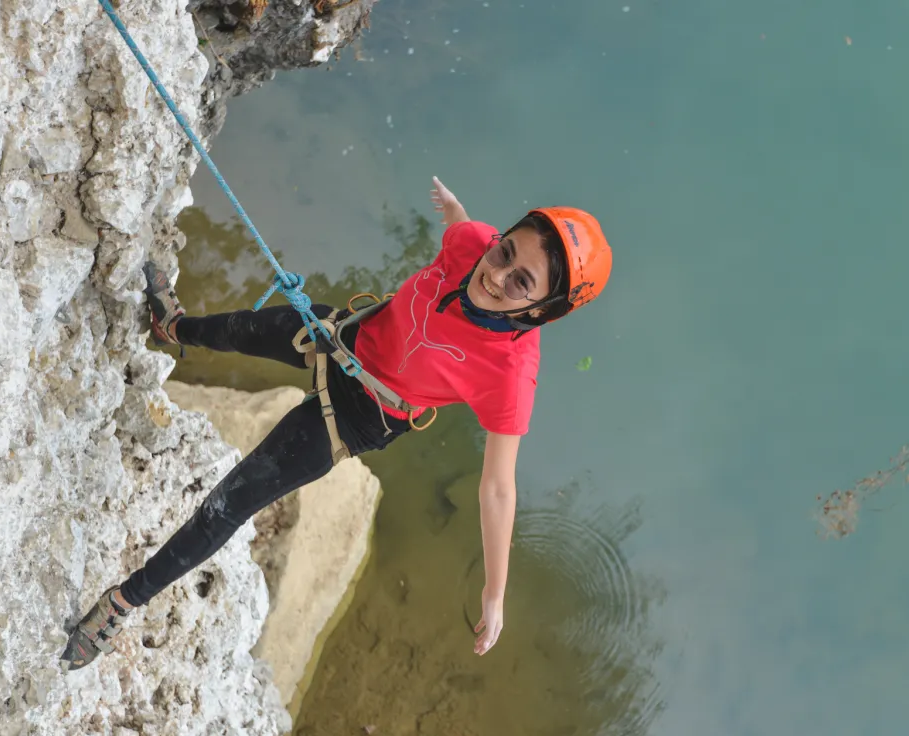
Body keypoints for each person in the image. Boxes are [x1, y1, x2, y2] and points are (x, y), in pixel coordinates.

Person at [60, 177, 613, 671]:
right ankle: (173, 329)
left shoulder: (511, 374)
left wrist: (495, 594)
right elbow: (466, 228)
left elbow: (497, 488)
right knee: (241, 330)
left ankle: (121, 604)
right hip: (347, 334)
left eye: (521, 283)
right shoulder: (473, 246)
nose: (495, 274)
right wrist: (453, 208)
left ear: (539, 312)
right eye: (505, 249)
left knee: (229, 503)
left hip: (359, 415)